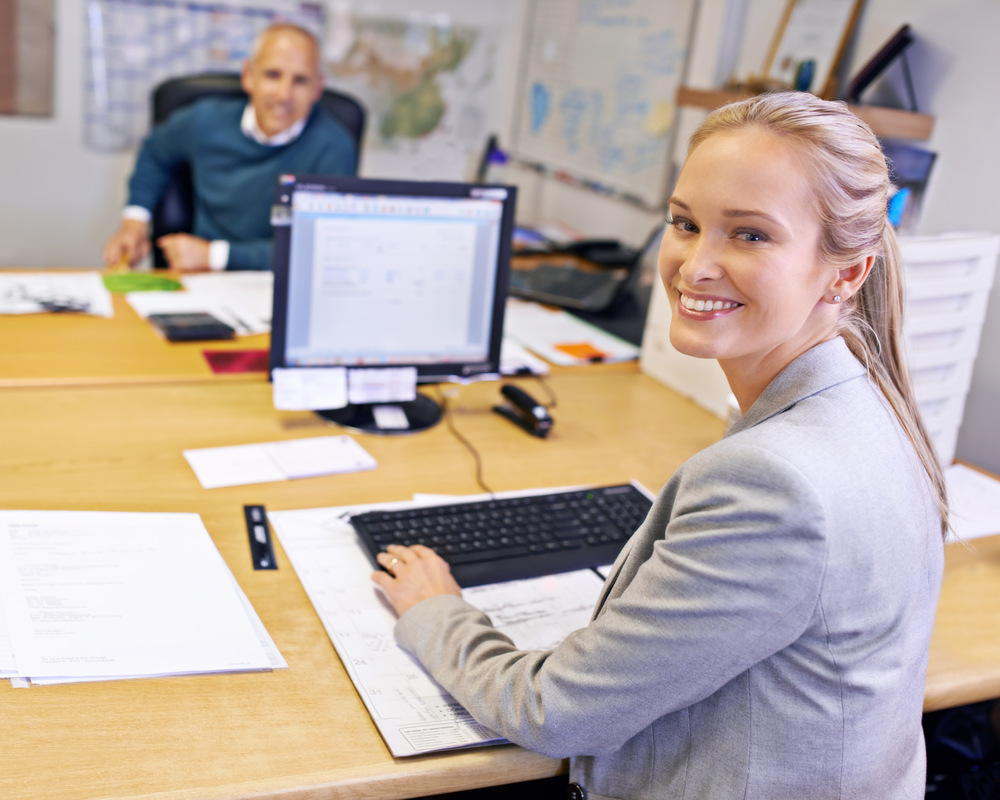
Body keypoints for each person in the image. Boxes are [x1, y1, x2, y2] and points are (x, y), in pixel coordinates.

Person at [370, 92, 948, 799]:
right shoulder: (872, 405)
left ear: (847, 272)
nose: (696, 265)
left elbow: (553, 712)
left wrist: (435, 609)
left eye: (751, 235)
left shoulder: (775, 483)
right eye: (686, 223)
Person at [102, 23, 356, 272]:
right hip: (205, 282)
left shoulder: (334, 148)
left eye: (300, 80)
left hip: (279, 282)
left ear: (317, 88)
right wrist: (134, 223)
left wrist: (214, 256)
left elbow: (317, 249)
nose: (283, 95)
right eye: (272, 75)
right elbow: (155, 152)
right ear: (248, 76)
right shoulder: (204, 121)